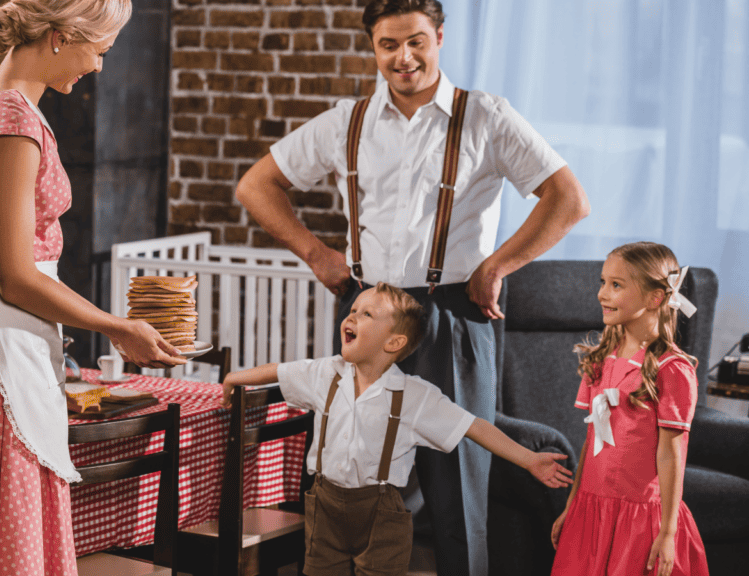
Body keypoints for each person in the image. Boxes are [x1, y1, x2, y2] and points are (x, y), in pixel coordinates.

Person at [234, 0, 590, 572]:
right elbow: (257, 186)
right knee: (352, 467)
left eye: (417, 42)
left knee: (458, 483)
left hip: (452, 312)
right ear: (373, 47)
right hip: (367, 307)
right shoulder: (345, 122)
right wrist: (317, 253)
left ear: (440, 37)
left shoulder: (486, 116)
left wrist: (497, 266)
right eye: (389, 45)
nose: (404, 58)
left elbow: (569, 199)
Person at [0, 1, 185, 574]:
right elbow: (18, 276)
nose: (98, 67)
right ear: (58, 36)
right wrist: (117, 326)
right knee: (9, 494)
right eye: (97, 50)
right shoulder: (13, 125)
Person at [221, 283, 573, 576]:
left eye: (367, 314)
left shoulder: (414, 396)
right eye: (354, 309)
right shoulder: (326, 373)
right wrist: (236, 377)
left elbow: (473, 426)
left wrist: (529, 459)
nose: (352, 316)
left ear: (394, 343)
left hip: (381, 516)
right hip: (324, 507)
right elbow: (280, 371)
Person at [550, 242, 709, 576]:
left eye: (616, 285)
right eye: (602, 282)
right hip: (590, 512)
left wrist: (667, 532)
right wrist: (572, 505)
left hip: (642, 522)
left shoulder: (672, 369)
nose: (602, 293)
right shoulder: (600, 360)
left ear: (654, 298)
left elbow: (671, 454)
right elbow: (591, 440)